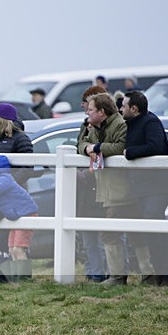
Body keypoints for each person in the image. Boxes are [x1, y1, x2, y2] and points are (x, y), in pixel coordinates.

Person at [78, 93, 154, 285]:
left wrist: (96, 147)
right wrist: (88, 148)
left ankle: (122, 276)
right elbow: (80, 143)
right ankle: (144, 274)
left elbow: (120, 147)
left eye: (91, 109)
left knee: (114, 233)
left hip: (124, 190)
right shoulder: (94, 126)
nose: (87, 112)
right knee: (132, 233)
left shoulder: (120, 125)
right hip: (109, 189)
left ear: (102, 112)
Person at [121, 90, 168, 286]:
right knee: (150, 228)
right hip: (143, 185)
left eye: (124, 106)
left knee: (155, 223)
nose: (121, 109)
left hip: (158, 185)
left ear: (134, 109)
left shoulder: (150, 122)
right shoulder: (132, 123)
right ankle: (159, 273)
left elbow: (155, 146)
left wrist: (130, 153)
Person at [75, 85, 109, 282]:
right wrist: (87, 147)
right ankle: (93, 273)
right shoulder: (86, 125)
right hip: (88, 189)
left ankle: (106, 273)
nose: (84, 107)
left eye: (87, 103)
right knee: (88, 237)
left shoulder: (110, 127)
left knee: (106, 236)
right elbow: (80, 145)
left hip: (101, 186)